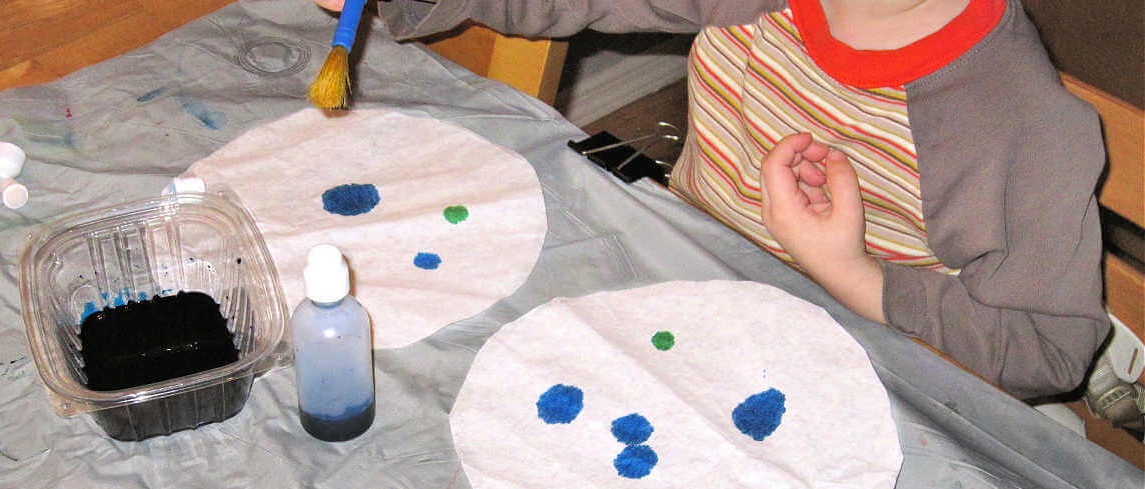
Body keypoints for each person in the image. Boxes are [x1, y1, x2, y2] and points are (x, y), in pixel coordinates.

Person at [314, 0, 1110, 401]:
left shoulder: (1019, 121)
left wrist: (852, 271)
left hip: (859, 378)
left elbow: (1049, 348)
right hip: (678, 297)